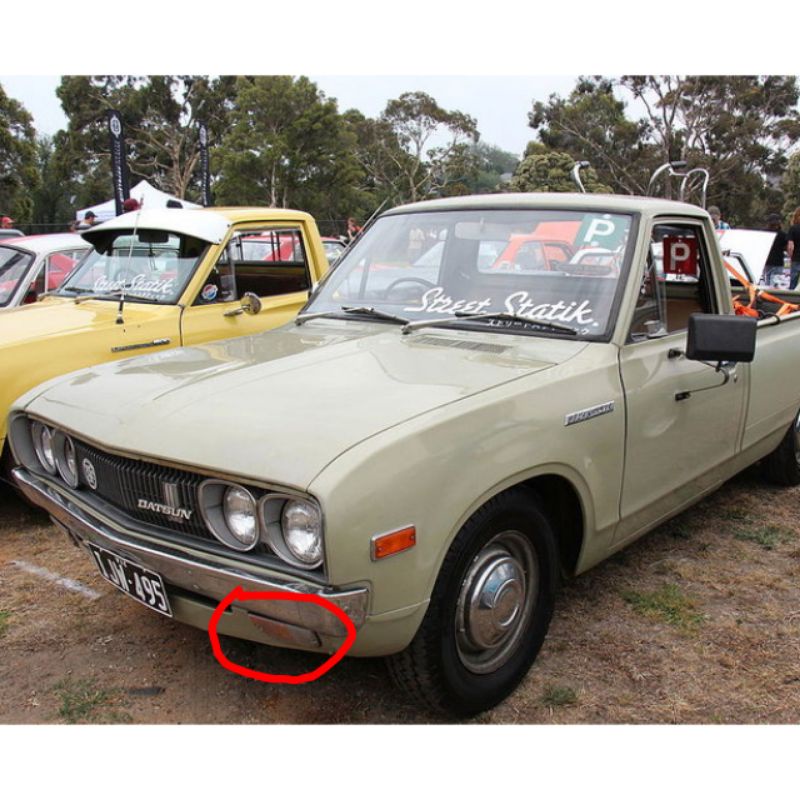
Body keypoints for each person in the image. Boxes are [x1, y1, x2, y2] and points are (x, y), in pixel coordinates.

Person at [763, 213, 789, 287]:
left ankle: (766, 292)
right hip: (778, 261)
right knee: (776, 282)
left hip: (767, 260)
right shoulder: (783, 234)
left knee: (767, 279)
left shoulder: (764, 233)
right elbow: (786, 247)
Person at [786, 207, 800, 289]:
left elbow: (790, 246)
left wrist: (789, 256)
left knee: (793, 281)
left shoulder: (793, 228)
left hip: (796, 258)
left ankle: (792, 295)